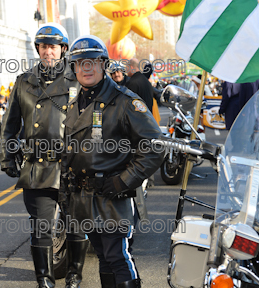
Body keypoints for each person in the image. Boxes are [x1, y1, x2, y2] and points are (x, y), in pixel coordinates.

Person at [62, 35, 164, 288]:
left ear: (103, 64)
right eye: (80, 62)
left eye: (92, 62)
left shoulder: (125, 101)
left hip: (112, 195)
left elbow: (154, 147)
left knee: (118, 257)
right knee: (104, 257)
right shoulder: (75, 104)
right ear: (73, 67)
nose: (86, 68)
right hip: (84, 196)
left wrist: (123, 181)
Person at [0, 23, 88, 288]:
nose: (47, 51)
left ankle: (74, 275)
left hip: (72, 165)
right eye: (43, 46)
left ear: (63, 49)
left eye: (52, 46)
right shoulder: (24, 81)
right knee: (41, 226)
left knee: (75, 223)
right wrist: (7, 156)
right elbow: (10, 124)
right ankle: (45, 280)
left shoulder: (79, 79)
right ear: (37, 49)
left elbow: (97, 120)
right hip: (38, 165)